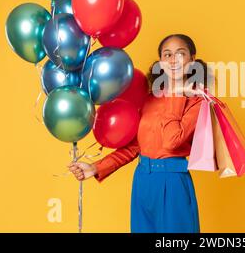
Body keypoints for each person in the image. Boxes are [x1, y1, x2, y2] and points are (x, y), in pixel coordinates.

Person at [68, 33, 212, 233]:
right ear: (160, 62)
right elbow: (136, 145)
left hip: (173, 183)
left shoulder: (198, 101)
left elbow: (172, 141)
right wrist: (95, 168)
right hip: (143, 181)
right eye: (167, 55)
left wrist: (177, 93)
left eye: (180, 54)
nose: (173, 60)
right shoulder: (150, 98)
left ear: (192, 60)